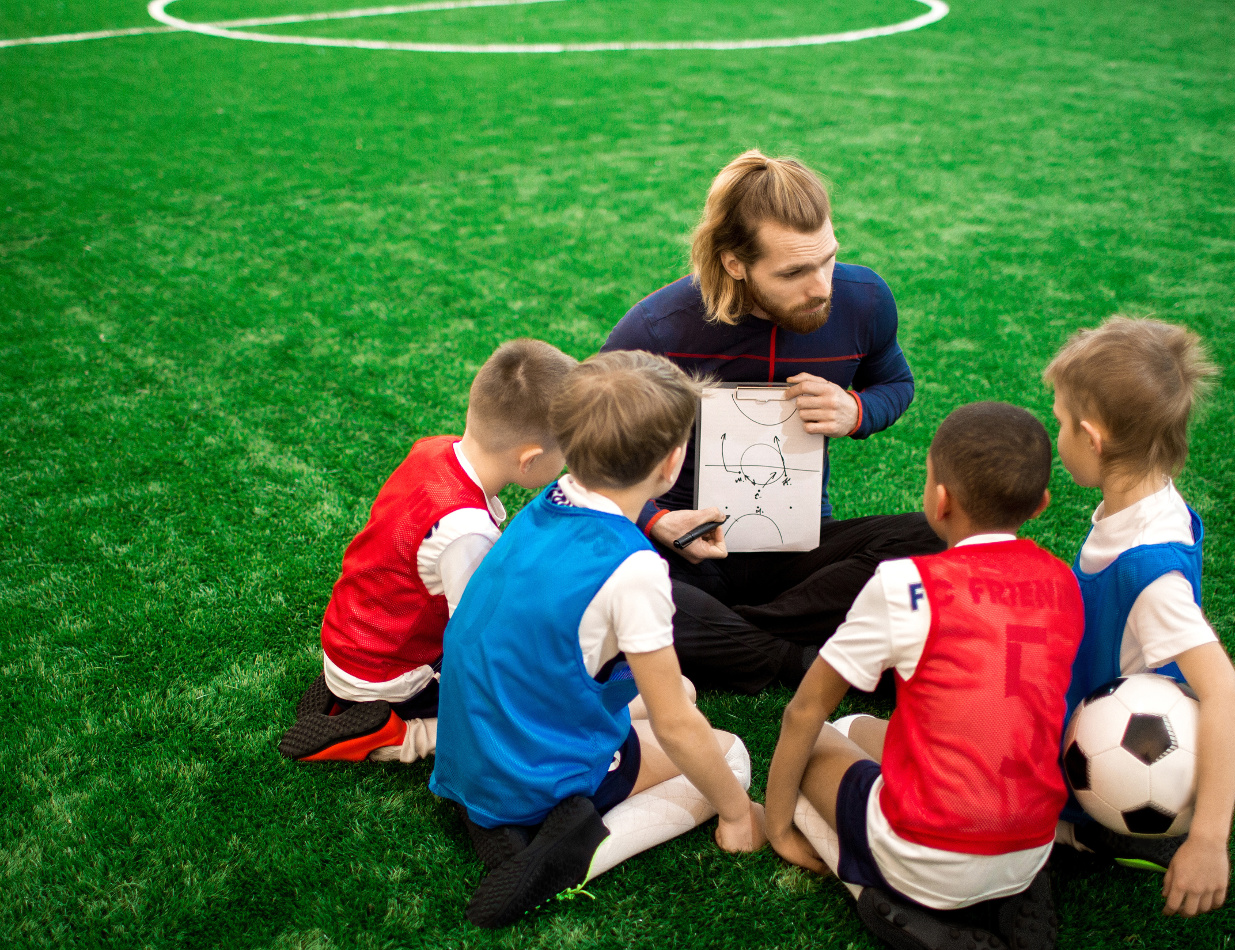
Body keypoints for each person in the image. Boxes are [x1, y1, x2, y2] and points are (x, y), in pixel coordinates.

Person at [430, 350, 767, 929]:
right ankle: (574, 853)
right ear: (672, 463)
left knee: (681, 687)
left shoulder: (550, 498)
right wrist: (739, 815)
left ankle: (510, 817)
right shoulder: (634, 571)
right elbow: (675, 727)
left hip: (471, 754)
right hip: (527, 772)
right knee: (728, 756)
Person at [602, 149, 943, 694]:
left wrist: (856, 411)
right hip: (683, 552)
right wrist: (653, 521)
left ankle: (728, 637)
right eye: (794, 272)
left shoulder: (864, 301)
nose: (822, 285)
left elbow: (895, 385)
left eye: (829, 259)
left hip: (798, 552)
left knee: (939, 535)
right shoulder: (661, 329)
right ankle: (798, 659)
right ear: (735, 262)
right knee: (600, 580)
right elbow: (585, 456)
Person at [765, 402, 1084, 950]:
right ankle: (1014, 893)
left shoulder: (906, 584)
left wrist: (776, 828)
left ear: (939, 499)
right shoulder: (1063, 581)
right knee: (862, 725)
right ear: (1042, 505)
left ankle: (890, 906)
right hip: (1032, 842)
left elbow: (806, 710)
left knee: (813, 745)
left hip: (922, 853)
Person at [278, 339, 576, 763]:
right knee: (527, 708)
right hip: (390, 674)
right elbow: (474, 641)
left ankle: (347, 693)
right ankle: (396, 735)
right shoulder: (464, 531)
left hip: (353, 638)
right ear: (529, 460)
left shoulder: (434, 449)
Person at [1044, 316, 1235, 918]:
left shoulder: (1149, 573)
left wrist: (1210, 839)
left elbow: (1227, 697)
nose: (1056, 437)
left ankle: (1089, 828)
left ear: (1092, 437)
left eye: (1059, 423)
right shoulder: (1147, 503)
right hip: (1096, 691)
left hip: (1096, 737)